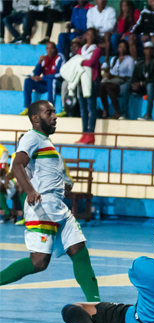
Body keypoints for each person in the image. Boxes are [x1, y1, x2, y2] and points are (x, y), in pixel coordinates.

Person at [1, 100, 100, 303]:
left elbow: (43, 172)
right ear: (35, 118)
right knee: (39, 262)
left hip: (57, 205)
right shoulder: (31, 137)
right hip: (43, 207)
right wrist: (29, 190)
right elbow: (16, 165)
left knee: (79, 250)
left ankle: (96, 305)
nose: (55, 116)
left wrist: (63, 185)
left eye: (55, 112)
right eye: (49, 113)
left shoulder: (46, 142)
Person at [20, 42, 65, 116]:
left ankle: (50, 109)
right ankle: (27, 107)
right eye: (47, 48)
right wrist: (39, 63)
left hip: (57, 85)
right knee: (28, 81)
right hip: (45, 84)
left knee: (52, 81)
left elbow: (59, 75)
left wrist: (42, 78)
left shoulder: (60, 57)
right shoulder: (44, 58)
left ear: (56, 49)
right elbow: (35, 74)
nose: (49, 50)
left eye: (51, 48)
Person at [75, 28, 102, 145]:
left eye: (92, 35)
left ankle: (91, 134)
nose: (89, 36)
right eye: (88, 34)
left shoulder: (96, 50)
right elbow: (76, 62)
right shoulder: (81, 49)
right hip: (81, 80)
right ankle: (84, 133)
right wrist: (81, 61)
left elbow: (90, 63)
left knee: (91, 107)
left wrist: (81, 61)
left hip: (92, 80)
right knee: (83, 109)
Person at [99, 40, 135, 120]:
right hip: (113, 81)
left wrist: (112, 76)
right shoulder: (114, 59)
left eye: (123, 47)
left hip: (124, 80)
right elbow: (112, 72)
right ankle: (106, 109)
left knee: (108, 85)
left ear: (126, 49)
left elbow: (129, 75)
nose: (121, 49)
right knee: (102, 85)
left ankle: (119, 111)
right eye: (120, 46)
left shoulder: (130, 60)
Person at [131, 41, 154, 121]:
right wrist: (134, 84)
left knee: (150, 86)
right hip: (143, 87)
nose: (148, 51)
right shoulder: (139, 64)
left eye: (150, 49)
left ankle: (148, 114)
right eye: (146, 49)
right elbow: (135, 77)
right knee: (126, 86)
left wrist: (142, 83)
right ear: (144, 50)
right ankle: (124, 113)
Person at [86, 0, 116, 70]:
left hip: (106, 34)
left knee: (107, 34)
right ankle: (86, 56)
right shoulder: (91, 11)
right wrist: (94, 31)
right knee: (87, 34)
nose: (101, 1)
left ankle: (106, 61)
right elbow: (89, 25)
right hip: (95, 34)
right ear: (96, 1)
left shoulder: (111, 10)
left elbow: (110, 26)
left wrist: (98, 30)